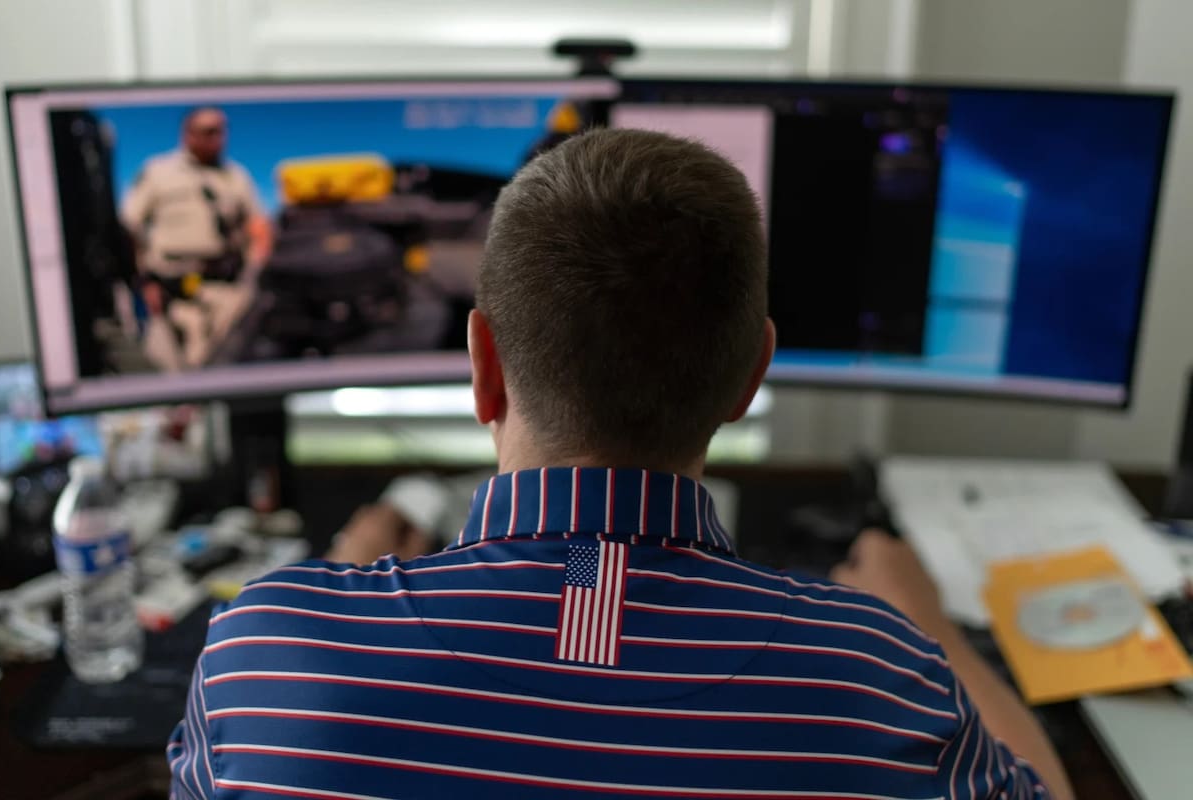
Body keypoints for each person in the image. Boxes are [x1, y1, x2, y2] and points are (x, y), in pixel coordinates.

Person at [168, 129, 1074, 800]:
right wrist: (931, 629)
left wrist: (343, 574)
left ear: (483, 366)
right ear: (748, 377)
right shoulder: (883, 681)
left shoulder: (263, 655)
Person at [121, 107, 272, 372]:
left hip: (227, 292)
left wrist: (254, 278)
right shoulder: (158, 171)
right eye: (208, 131)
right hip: (171, 292)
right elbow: (129, 228)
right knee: (170, 372)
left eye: (221, 130)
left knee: (227, 367)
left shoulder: (236, 176)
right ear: (188, 134)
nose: (217, 137)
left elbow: (258, 227)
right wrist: (142, 282)